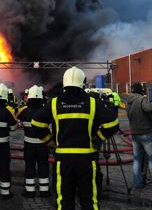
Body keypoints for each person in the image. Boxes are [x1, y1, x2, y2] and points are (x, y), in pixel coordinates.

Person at [32, 67, 119, 210]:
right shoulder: (92, 103)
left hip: (63, 161)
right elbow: (113, 124)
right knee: (90, 202)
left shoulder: (54, 103)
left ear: (65, 82)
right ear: (83, 82)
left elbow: (36, 123)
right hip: (87, 160)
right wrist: (98, 138)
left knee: (64, 202)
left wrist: (49, 142)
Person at [126, 83, 152, 189]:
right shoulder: (141, 99)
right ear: (141, 90)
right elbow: (148, 108)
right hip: (145, 133)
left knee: (137, 159)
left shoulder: (128, 101)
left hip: (134, 133)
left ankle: (138, 183)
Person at [17, 85, 50, 198]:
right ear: (41, 97)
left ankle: (29, 191)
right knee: (43, 166)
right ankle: (44, 191)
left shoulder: (23, 111)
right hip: (43, 145)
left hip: (29, 145)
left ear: (29, 97)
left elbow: (17, 123)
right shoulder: (46, 111)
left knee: (29, 166)